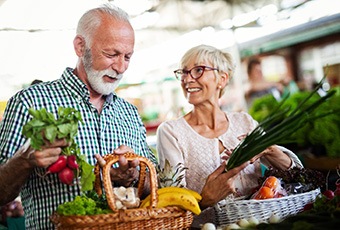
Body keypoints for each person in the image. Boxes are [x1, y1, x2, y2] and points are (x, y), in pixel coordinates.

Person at [0, 4, 156, 229]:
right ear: (81, 47)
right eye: (111, 54)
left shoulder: (129, 112)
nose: (121, 67)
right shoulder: (29, 103)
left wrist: (132, 175)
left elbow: (153, 186)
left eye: (128, 57)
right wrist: (24, 159)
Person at [156, 45, 303, 228]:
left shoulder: (245, 122)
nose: (187, 79)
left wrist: (270, 150)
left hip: (262, 224)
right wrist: (205, 200)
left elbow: (298, 175)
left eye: (198, 70)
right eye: (184, 72)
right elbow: (172, 206)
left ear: (222, 79)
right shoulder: (171, 132)